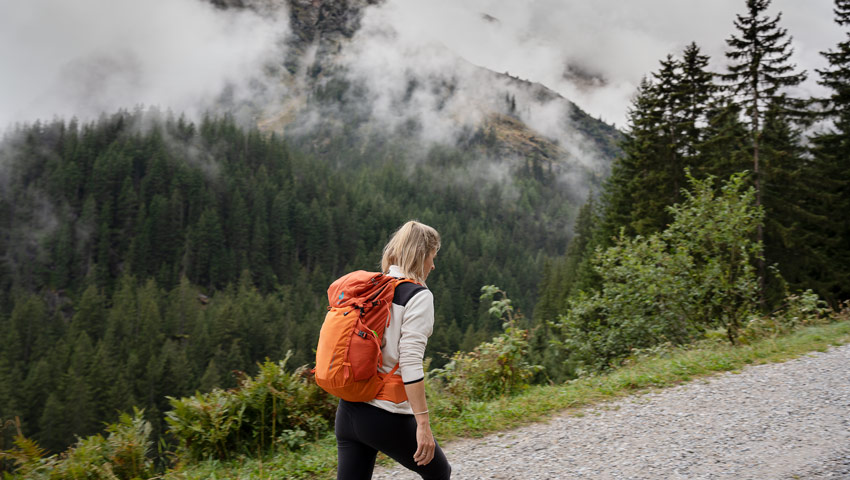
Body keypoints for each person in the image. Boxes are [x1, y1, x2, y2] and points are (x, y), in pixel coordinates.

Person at [334, 220, 452, 480]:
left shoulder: (373, 287)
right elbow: (410, 362)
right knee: (439, 472)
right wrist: (423, 424)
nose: (433, 265)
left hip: (348, 412)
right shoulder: (418, 296)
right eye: (432, 257)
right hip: (384, 415)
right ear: (421, 256)